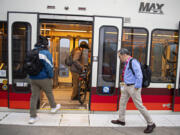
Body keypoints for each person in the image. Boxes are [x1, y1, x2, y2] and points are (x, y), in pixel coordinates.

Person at [111, 48, 156, 133]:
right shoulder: (127, 62)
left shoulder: (133, 62)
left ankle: (151, 123)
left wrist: (137, 86)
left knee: (139, 105)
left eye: (119, 56)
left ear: (124, 55)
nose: (119, 59)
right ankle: (121, 120)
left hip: (133, 87)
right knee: (122, 103)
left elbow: (139, 75)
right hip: (126, 86)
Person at [28, 36, 60, 124]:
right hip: (43, 78)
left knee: (34, 96)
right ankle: (53, 107)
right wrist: (51, 76)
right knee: (49, 92)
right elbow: (49, 67)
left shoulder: (32, 52)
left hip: (33, 78)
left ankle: (32, 117)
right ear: (45, 45)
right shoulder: (45, 53)